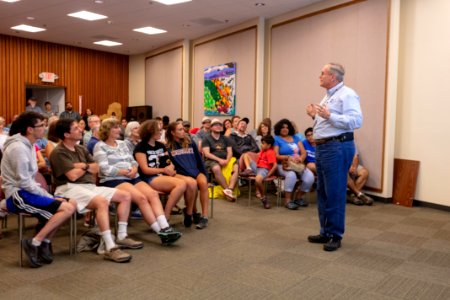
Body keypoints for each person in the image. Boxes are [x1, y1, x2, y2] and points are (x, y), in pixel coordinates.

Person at [50, 118, 141, 263]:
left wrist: (82, 166)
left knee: (125, 196)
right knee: (102, 202)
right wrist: (87, 166)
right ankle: (110, 248)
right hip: (67, 189)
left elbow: (96, 167)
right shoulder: (58, 152)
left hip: (88, 187)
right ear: (66, 134)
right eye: (76, 128)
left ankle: (122, 236)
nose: (81, 129)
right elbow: (72, 176)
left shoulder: (81, 148)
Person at [1, 112, 76, 268]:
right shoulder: (18, 148)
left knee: (71, 203)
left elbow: (30, 180)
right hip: (18, 195)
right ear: (30, 129)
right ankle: (34, 242)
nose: (45, 128)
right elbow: (24, 182)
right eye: (41, 125)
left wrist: (49, 197)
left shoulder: (29, 145)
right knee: (65, 208)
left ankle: (43, 241)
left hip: (28, 192)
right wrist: (50, 197)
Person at [93, 118, 182, 244]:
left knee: (153, 194)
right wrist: (123, 172)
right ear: (107, 131)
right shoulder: (100, 146)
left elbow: (133, 160)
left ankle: (165, 227)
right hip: (114, 179)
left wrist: (134, 168)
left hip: (132, 176)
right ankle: (160, 232)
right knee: (141, 198)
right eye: (116, 127)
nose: (119, 129)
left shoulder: (122, 144)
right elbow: (104, 168)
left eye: (119, 127)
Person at [306, 63, 363, 252]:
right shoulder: (328, 96)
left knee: (335, 192)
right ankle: (325, 231)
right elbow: (328, 122)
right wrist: (315, 116)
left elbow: (356, 121)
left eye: (322, 73)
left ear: (333, 77)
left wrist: (330, 116)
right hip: (324, 147)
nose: (319, 76)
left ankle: (335, 235)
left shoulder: (347, 94)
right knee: (323, 191)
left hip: (337, 147)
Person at [134, 119, 187, 220]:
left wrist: (171, 167)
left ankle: (187, 212)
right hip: (149, 178)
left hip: (162, 174)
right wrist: (163, 170)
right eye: (158, 130)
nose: (161, 132)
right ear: (150, 131)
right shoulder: (140, 147)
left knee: (189, 182)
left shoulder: (161, 145)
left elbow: (168, 161)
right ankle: (166, 214)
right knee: (181, 184)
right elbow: (145, 169)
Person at [166, 121, 210, 229]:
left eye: (183, 129)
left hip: (196, 171)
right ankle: (193, 212)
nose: (183, 131)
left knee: (203, 183)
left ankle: (204, 216)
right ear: (172, 132)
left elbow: (199, 160)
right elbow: (168, 164)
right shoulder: (168, 147)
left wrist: (205, 175)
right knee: (192, 184)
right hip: (182, 173)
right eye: (180, 130)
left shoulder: (190, 142)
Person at [274, 118, 315, 210]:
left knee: (310, 177)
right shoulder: (276, 139)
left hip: (297, 164)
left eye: (287, 127)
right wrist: (288, 157)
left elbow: (304, 153)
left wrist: (300, 158)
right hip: (283, 164)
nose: (285, 129)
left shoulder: (296, 138)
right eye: (282, 127)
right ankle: (287, 201)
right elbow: (276, 155)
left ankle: (298, 197)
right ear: (279, 129)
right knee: (291, 175)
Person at [202, 118, 239, 201]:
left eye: (219, 125)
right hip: (212, 160)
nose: (218, 126)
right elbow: (207, 153)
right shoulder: (206, 139)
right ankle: (227, 191)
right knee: (216, 168)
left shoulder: (226, 138)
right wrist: (219, 160)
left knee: (236, 166)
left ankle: (230, 189)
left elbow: (230, 152)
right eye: (215, 124)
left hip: (226, 159)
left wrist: (227, 160)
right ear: (211, 127)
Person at [240, 135, 277, 209]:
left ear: (269, 145)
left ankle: (263, 198)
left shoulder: (270, 152)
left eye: (263, 143)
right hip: (257, 167)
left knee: (258, 180)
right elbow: (257, 156)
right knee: (245, 155)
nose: (261, 145)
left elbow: (275, 166)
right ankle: (248, 168)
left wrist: (268, 175)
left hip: (264, 169)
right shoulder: (263, 151)